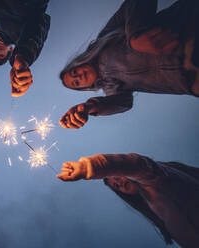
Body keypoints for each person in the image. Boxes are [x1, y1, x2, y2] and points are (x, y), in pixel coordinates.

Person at [59, 0, 199, 130]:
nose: (79, 76)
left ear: (78, 62)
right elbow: (122, 103)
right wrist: (89, 107)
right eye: (76, 83)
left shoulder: (106, 37)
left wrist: (135, 36)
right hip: (192, 79)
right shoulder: (112, 87)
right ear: (85, 88)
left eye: (74, 73)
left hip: (189, 26)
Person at [57, 153, 199, 247]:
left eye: (117, 176)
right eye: (115, 186)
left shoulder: (157, 178)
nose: (118, 183)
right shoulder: (156, 207)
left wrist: (89, 167)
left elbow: (141, 166)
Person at [0, 0, 50, 97]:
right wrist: (23, 56)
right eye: (1, 55)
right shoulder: (20, 36)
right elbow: (38, 24)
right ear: (11, 50)